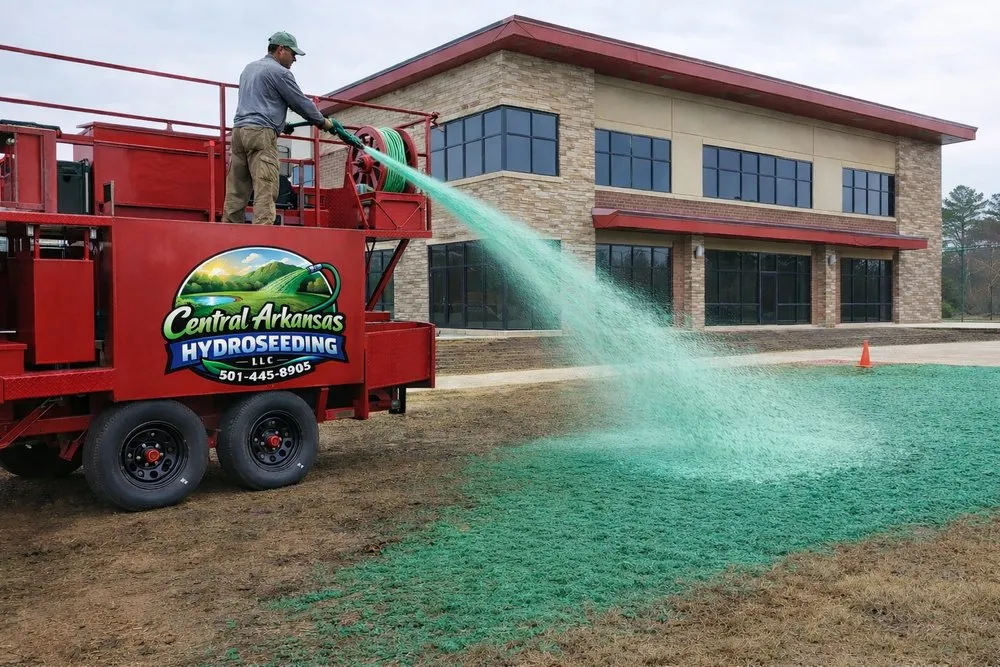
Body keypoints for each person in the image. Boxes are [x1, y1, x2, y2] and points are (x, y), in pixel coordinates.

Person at [222, 31, 359, 225]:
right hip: (261, 134)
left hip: (239, 132)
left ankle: (229, 230)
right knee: (266, 186)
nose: (295, 59)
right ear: (280, 50)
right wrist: (324, 122)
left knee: (237, 187)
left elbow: (259, 101)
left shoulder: (249, 69)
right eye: (293, 54)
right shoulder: (280, 73)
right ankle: (261, 235)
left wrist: (281, 124)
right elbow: (300, 103)